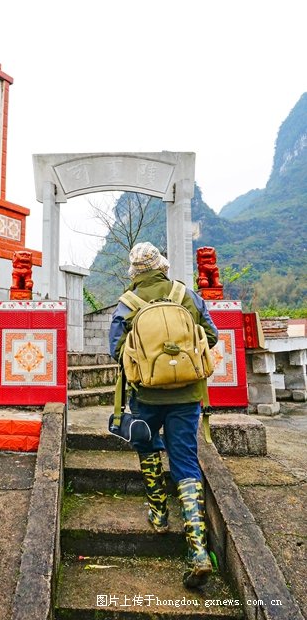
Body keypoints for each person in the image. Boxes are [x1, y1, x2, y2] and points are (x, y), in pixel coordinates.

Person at [109, 241, 219, 588]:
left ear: (135, 272)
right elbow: (212, 336)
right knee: (185, 461)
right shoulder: (186, 295)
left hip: (145, 396)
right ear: (162, 266)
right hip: (187, 396)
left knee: (146, 446)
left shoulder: (128, 304)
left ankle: (158, 513)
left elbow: (115, 350)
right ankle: (198, 550)